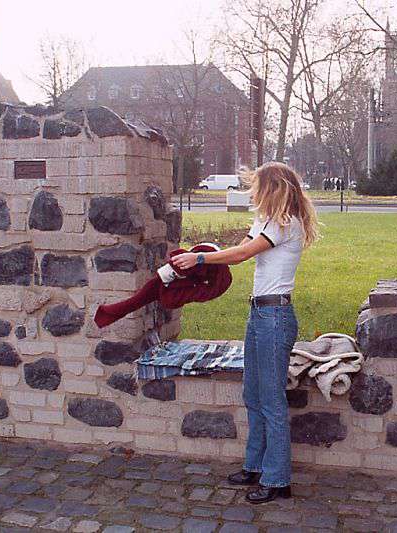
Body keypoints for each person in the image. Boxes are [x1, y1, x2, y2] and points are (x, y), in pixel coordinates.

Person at [171, 161, 319, 504]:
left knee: (271, 400)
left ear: (273, 188)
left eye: (257, 187)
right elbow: (239, 247)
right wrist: (205, 253)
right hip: (260, 314)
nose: (253, 194)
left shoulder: (285, 223)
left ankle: (278, 480)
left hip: (275, 317)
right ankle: (255, 466)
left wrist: (199, 260)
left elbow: (242, 255)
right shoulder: (266, 220)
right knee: (253, 395)